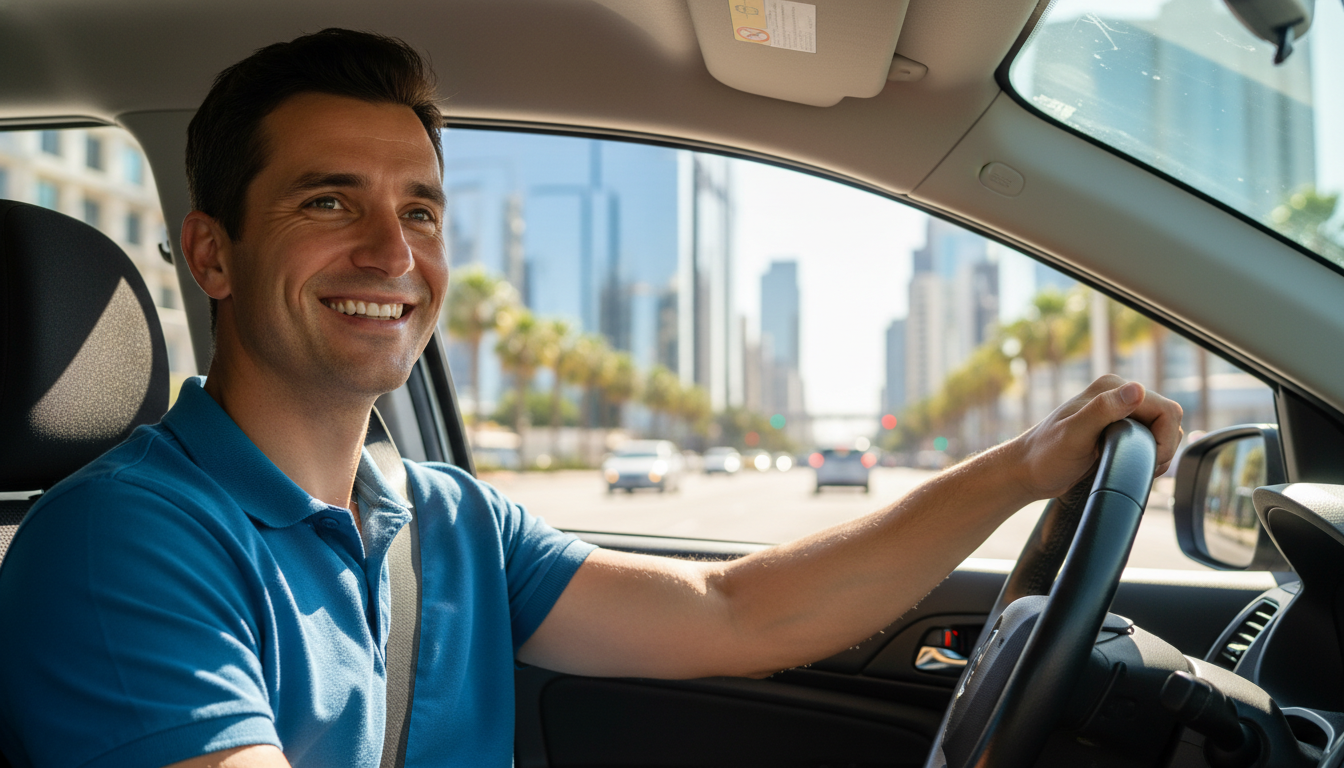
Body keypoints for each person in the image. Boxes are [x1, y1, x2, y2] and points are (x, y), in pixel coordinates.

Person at [0, 28, 1183, 768]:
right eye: (327, 203)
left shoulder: (447, 517)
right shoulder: (121, 545)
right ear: (212, 256)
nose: (391, 252)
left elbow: (735, 613)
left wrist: (1027, 468)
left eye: (419, 209)